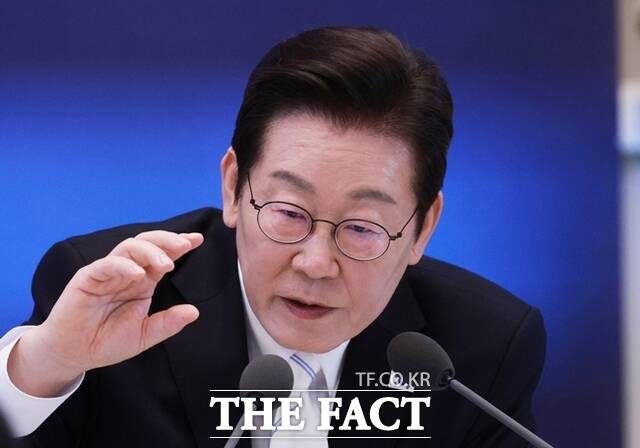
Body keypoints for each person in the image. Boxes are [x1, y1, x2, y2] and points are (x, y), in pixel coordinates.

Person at [0, 26, 546, 447]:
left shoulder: (481, 349)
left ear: (423, 227)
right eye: (288, 212)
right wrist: (44, 366)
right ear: (234, 187)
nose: (315, 262)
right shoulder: (116, 298)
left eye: (362, 227)